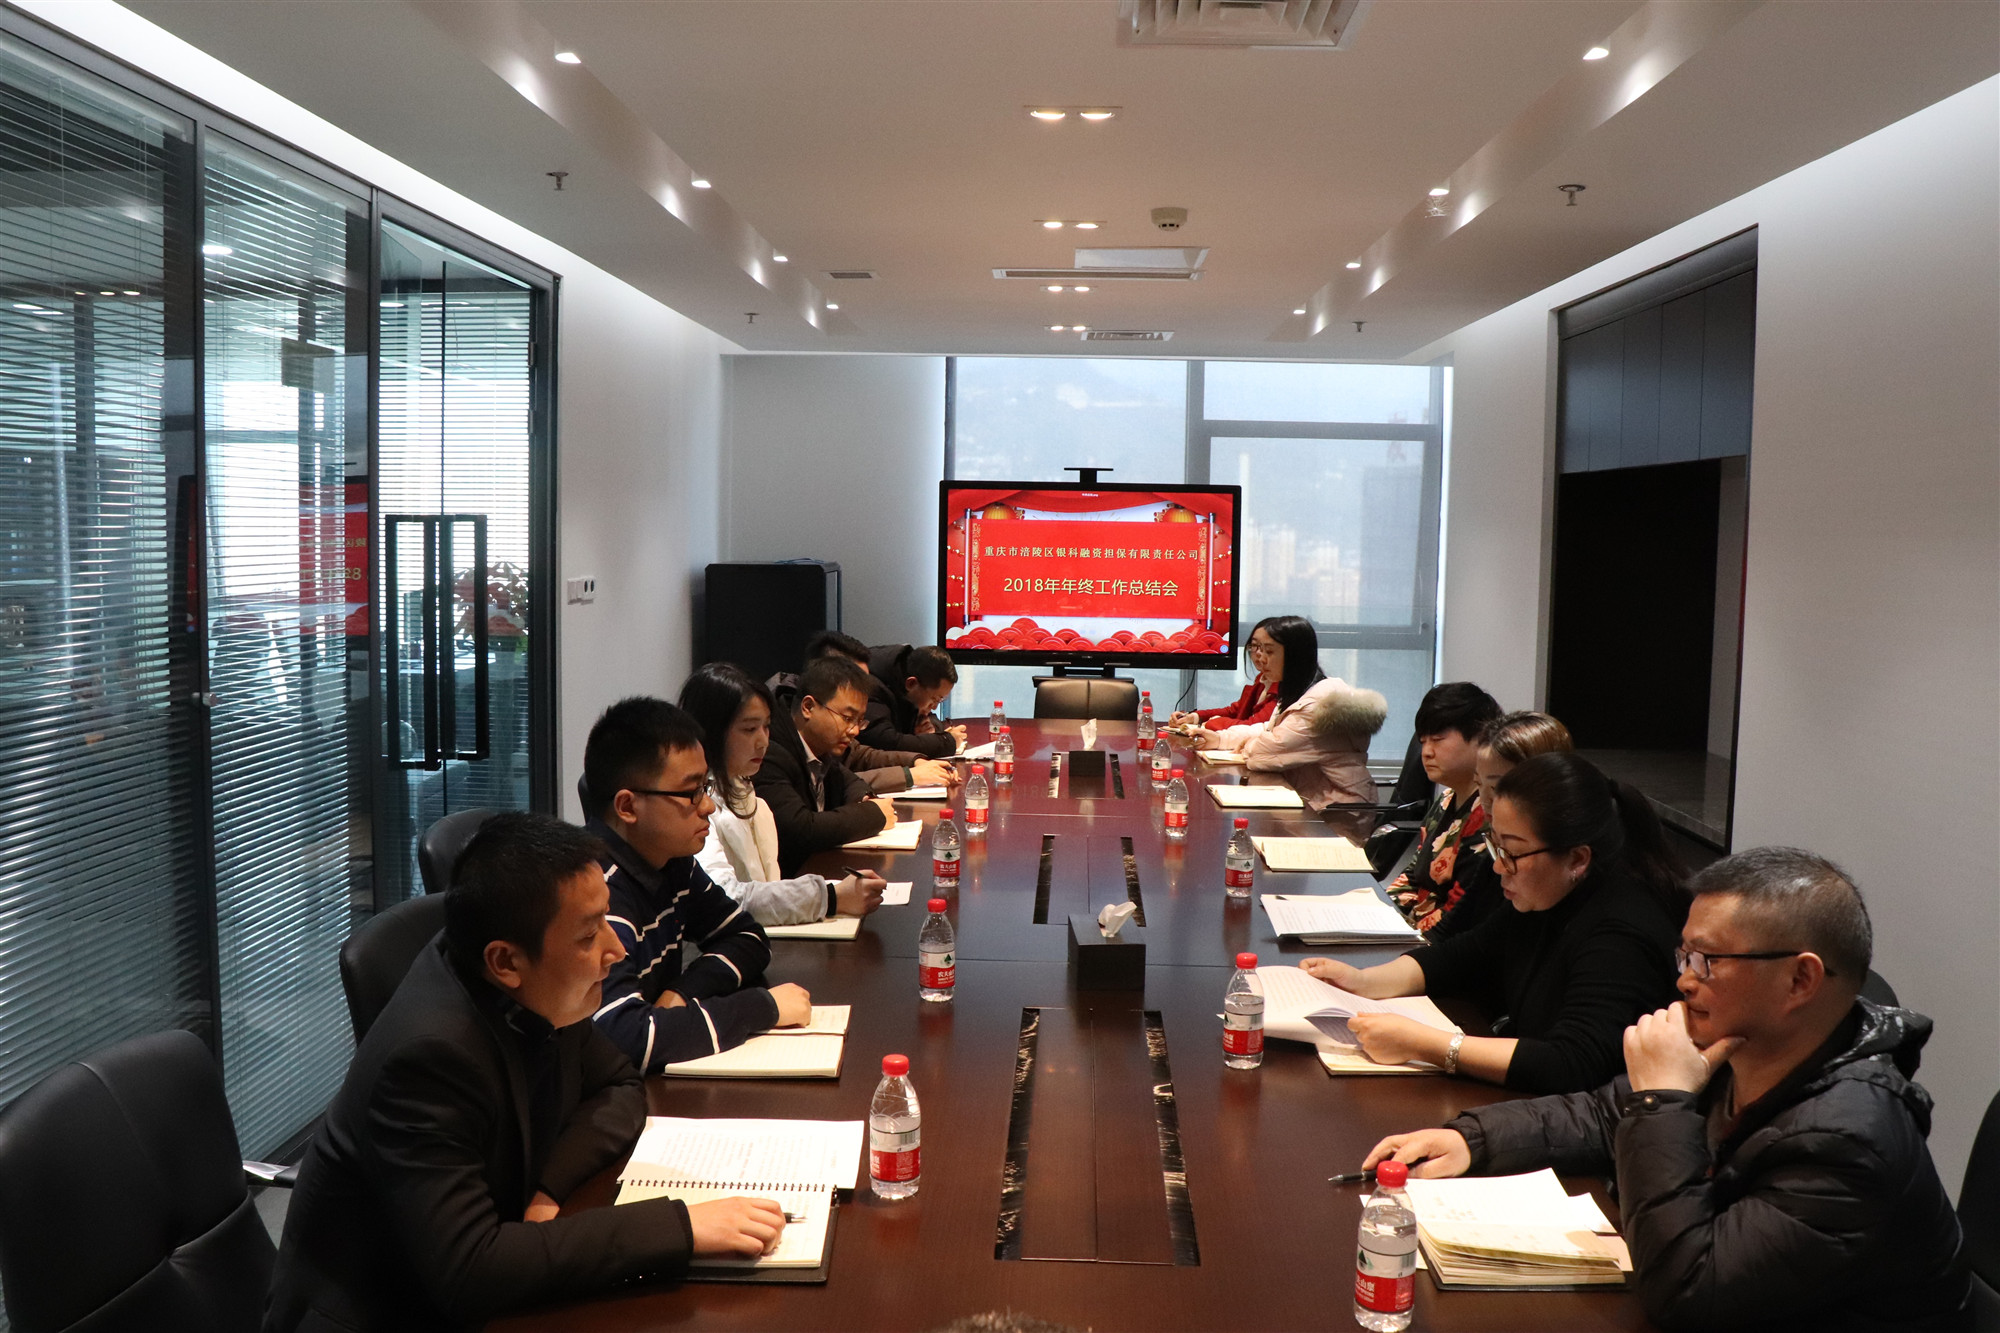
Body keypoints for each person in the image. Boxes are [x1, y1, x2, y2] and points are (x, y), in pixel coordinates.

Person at [1361, 847, 1969, 1332]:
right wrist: (1472, 1139)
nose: (1684, 980)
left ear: (1800, 981)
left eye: (1708, 960)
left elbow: (1688, 1292)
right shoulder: (1746, 1044)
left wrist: (1661, 1102)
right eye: (1685, 954)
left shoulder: (1852, 1138)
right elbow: (1605, 1113)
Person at [264, 813, 788, 1332]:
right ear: (506, 962)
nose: (616, 949)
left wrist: (549, 1186)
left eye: (607, 919)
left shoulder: (537, 985)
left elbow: (619, 1083)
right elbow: (471, 1270)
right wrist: (682, 1226)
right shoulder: (427, 1059)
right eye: (589, 935)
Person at [1305, 751, 1686, 1093]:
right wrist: (1363, 981)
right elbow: (1462, 954)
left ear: (1577, 859)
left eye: (1513, 853)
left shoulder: (1622, 933)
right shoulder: (1548, 893)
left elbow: (1571, 1062)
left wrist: (1427, 1044)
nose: (1498, 866)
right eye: (1495, 845)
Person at [581, 696, 812, 1072]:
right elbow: (625, 1039)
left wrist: (683, 992)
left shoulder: (673, 863)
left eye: (704, 787)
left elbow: (747, 936)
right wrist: (761, 1008)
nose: (708, 806)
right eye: (691, 793)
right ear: (627, 807)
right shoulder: (595, 896)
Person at [680, 661, 887, 925]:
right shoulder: (692, 803)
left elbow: (764, 886)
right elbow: (721, 897)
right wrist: (830, 897)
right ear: (712, 731)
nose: (763, 741)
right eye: (749, 729)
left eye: (766, 726)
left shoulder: (744, 788)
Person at [1188, 615, 1386, 809]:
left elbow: (1263, 756)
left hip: (1337, 811)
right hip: (1310, 799)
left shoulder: (1317, 707)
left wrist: (1248, 744)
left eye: (1269, 651)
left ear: (1295, 655)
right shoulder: (1299, 691)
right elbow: (1267, 729)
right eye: (1255, 647)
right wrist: (1219, 739)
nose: (1260, 657)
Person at [1420, 709, 1575, 942]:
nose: (1485, 800)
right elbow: (1455, 938)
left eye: (1498, 788)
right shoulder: (1495, 850)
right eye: (1479, 784)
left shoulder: (1552, 863)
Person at [756, 653, 898, 875]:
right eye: (847, 718)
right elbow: (799, 829)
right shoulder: (770, 751)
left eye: (859, 721)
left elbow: (849, 780)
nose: (855, 730)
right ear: (808, 707)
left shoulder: (821, 746)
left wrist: (864, 799)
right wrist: (872, 814)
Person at [1386, 681, 1503, 932]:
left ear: (1481, 739)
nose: (1426, 752)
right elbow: (1413, 874)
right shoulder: (1447, 798)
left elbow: (1459, 915)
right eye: (1423, 741)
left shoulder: (1490, 816)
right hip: (1409, 928)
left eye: (1438, 739)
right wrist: (1380, 912)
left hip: (1440, 941)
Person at [785, 632, 961, 795]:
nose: (855, 730)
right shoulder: (778, 745)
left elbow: (860, 755)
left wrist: (915, 761)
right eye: (856, 681)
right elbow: (835, 785)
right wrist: (909, 775)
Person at [861, 642, 966, 757]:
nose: (935, 707)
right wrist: (947, 741)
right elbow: (887, 742)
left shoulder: (909, 675)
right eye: (934, 699)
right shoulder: (870, 687)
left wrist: (930, 727)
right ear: (911, 683)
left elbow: (929, 717)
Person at [1168, 631, 1282, 731]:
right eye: (1254, 646)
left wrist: (1212, 722)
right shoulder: (1263, 678)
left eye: (1268, 649)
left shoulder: (1285, 689)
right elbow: (1234, 710)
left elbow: (1252, 727)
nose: (1258, 654)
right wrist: (1194, 717)